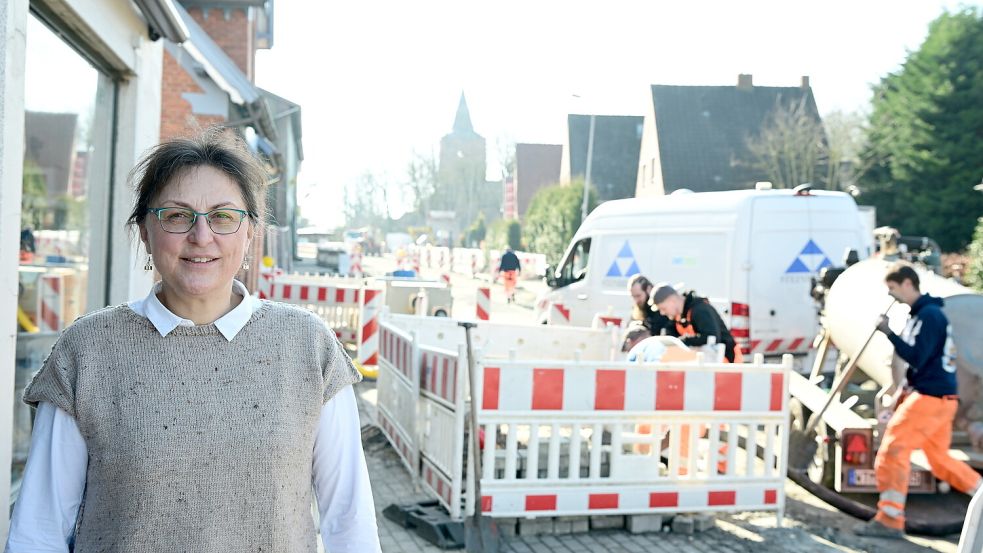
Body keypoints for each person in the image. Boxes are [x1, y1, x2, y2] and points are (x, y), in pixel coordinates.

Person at [6, 130, 382, 552]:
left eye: (222, 216)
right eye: (177, 215)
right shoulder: (89, 351)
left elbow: (350, 524)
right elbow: (39, 529)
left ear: (250, 232)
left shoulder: (307, 347)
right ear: (145, 231)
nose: (201, 236)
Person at [854, 262, 982, 538]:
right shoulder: (924, 315)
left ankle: (889, 519)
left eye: (893, 288)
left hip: (930, 399)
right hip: (940, 399)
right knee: (939, 460)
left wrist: (889, 333)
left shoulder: (930, 316)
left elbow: (917, 357)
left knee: (892, 450)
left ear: (908, 284)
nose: (892, 295)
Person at [651, 283, 743, 363]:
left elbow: (711, 337)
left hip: (728, 362)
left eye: (663, 309)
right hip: (708, 364)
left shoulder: (700, 310)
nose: (662, 313)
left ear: (672, 301)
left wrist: (682, 341)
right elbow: (669, 336)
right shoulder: (679, 315)